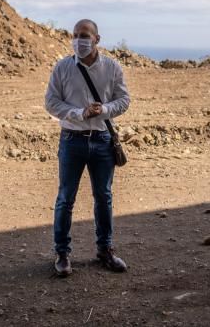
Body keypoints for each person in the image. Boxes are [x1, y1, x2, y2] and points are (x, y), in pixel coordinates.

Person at [44, 18, 131, 277]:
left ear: (96, 39)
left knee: (103, 198)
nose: (79, 40)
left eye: (84, 35)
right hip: (72, 140)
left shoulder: (112, 68)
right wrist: (78, 113)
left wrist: (104, 109)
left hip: (103, 141)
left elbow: (124, 99)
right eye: (75, 35)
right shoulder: (62, 68)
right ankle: (62, 253)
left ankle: (105, 250)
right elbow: (51, 103)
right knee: (65, 199)